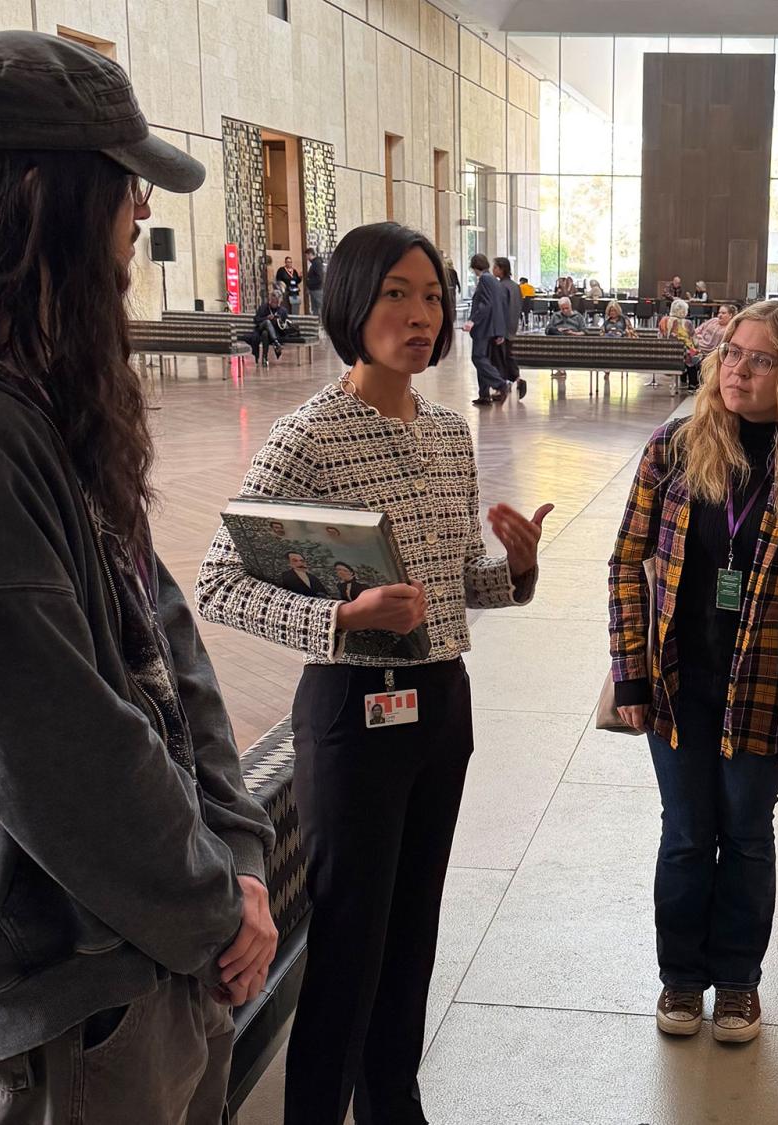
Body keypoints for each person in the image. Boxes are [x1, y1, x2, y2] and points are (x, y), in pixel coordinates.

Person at [0, 30, 276, 1122]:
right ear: (42, 195)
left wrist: (238, 852)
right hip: (77, 974)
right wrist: (211, 910)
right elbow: (58, 751)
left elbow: (163, 638)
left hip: (151, 943)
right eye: (124, 191)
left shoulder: (40, 401)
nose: (138, 220)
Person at [197, 220, 553, 1125]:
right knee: (350, 941)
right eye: (397, 293)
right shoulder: (310, 434)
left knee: (414, 933)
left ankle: (395, 1103)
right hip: (353, 714)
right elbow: (218, 582)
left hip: (440, 705)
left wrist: (515, 568)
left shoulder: (445, 431)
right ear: (352, 303)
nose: (420, 314)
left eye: (433, 295)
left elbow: (454, 581)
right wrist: (338, 617)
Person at [608, 300, 778, 1045]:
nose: (737, 371)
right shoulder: (676, 448)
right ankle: (682, 977)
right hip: (678, 683)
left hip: (766, 692)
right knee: (686, 833)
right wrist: (630, 672)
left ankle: (740, 982)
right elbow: (628, 560)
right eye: (732, 354)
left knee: (748, 835)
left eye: (761, 359)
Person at [463, 252, 509, 406]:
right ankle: (484, 394)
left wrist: (472, 320)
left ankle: (500, 384)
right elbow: (500, 306)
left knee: (478, 357)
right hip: (493, 327)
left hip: (484, 327)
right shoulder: (495, 281)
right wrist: (500, 330)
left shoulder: (484, 279)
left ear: (474, 267)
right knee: (484, 358)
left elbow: (486, 304)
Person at [493, 255, 527, 400]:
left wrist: (498, 330)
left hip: (503, 328)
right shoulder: (515, 286)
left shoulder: (501, 287)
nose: (493, 270)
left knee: (499, 358)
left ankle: (501, 387)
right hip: (512, 327)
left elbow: (500, 309)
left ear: (502, 269)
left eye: (495, 267)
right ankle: (516, 379)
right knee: (507, 356)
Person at [658, 297, 698, 390]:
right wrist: (698, 349)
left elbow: (660, 337)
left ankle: (683, 380)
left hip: (665, 353)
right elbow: (694, 340)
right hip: (682, 355)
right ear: (683, 311)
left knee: (688, 354)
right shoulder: (687, 323)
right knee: (694, 357)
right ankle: (693, 384)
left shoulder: (663, 321)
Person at [545, 296, 588, 382]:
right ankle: (561, 369)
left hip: (572, 341)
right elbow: (547, 330)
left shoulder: (578, 316)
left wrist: (573, 333)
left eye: (566, 308)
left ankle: (561, 369)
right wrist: (558, 330)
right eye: (562, 309)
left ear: (570, 306)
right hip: (557, 341)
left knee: (562, 341)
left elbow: (585, 332)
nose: (565, 311)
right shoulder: (555, 316)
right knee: (555, 333)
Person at [251, 290, 291, 365]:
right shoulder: (264, 307)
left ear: (279, 302)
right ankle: (276, 343)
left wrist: (277, 320)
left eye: (275, 302)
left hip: (275, 333)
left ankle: (264, 358)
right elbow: (256, 320)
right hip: (261, 328)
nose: (273, 303)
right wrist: (266, 318)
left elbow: (285, 325)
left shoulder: (283, 311)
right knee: (267, 322)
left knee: (265, 334)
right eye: (272, 301)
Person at [305, 245, 326, 317]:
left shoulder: (316, 263)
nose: (306, 258)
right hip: (314, 289)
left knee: (319, 306)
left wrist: (309, 282)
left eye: (307, 256)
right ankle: (316, 323)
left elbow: (319, 277)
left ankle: (322, 323)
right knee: (315, 308)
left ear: (310, 254)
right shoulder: (314, 263)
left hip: (317, 289)